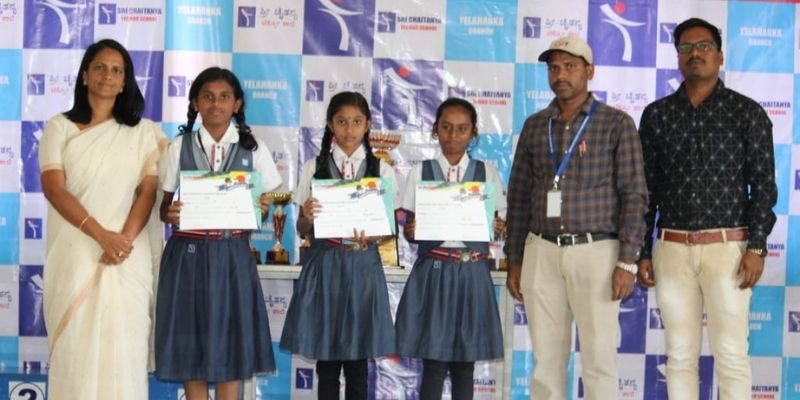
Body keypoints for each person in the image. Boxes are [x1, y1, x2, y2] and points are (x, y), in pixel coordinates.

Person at [637, 18, 777, 400]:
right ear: (677, 57)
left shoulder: (746, 112)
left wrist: (757, 247)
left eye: (703, 46)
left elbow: (764, 187)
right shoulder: (657, 115)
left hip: (727, 251)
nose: (694, 53)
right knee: (679, 355)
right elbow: (646, 190)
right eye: (685, 47)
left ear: (719, 56)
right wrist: (642, 251)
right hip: (672, 249)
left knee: (731, 355)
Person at [504, 36, 648, 400]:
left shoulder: (617, 123)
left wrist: (627, 261)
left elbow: (634, 195)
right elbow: (519, 196)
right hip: (541, 251)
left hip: (596, 252)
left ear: (589, 71)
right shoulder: (535, 125)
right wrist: (515, 259)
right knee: (546, 362)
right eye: (554, 68)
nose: (560, 75)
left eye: (570, 66)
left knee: (599, 361)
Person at [39, 38, 167, 400]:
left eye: (116, 70)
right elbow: (55, 190)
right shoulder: (59, 127)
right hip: (76, 254)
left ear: (125, 81)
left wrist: (121, 242)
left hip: (127, 257)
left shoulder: (143, 133)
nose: (107, 76)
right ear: (84, 76)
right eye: (99, 67)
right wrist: (102, 236)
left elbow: (147, 193)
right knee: (75, 351)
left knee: (124, 352)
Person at [154, 67, 281, 400]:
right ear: (195, 102)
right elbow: (164, 208)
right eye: (207, 97)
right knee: (190, 343)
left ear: (236, 104)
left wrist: (261, 208)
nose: (215, 104)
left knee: (231, 345)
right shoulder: (178, 146)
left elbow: (265, 206)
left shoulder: (254, 149)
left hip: (232, 253)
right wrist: (169, 213)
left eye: (224, 97)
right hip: (188, 255)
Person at [280, 91, 397, 400]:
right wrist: (305, 217)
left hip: (362, 265)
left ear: (367, 124)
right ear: (331, 125)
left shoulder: (382, 170)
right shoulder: (313, 167)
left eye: (356, 122)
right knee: (327, 360)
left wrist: (373, 236)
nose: (349, 129)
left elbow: (387, 228)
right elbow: (302, 229)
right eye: (342, 121)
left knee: (358, 361)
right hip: (325, 264)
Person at [395, 97, 505, 400]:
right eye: (446, 127)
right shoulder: (421, 171)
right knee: (434, 362)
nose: (453, 135)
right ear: (435, 130)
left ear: (473, 133)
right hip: (434, 271)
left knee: (464, 364)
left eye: (461, 128)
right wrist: (411, 230)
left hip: (472, 272)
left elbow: (498, 222)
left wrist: (498, 227)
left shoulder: (487, 173)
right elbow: (410, 228)